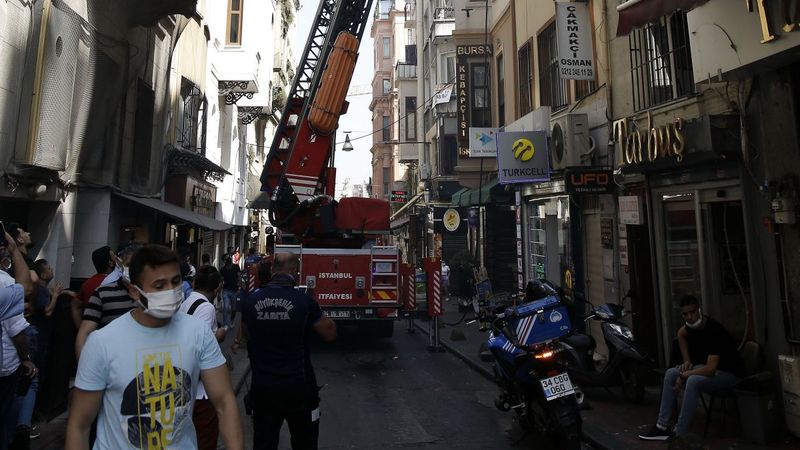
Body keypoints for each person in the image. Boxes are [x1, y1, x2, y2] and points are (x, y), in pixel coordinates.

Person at [65, 245, 243, 449]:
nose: (170, 291)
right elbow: (79, 425)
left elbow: (224, 402)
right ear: (134, 291)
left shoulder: (198, 332)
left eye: (175, 282)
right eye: (159, 286)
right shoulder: (101, 343)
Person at [242, 252, 336, 450]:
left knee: (264, 444)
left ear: (274, 269)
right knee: (305, 443)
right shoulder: (304, 301)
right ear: (294, 271)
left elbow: (245, 336)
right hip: (298, 388)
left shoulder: (251, 301)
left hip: (263, 388)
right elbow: (329, 333)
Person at [638, 295, 745, 440]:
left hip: (729, 374)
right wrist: (687, 361)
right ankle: (661, 426)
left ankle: (679, 433)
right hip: (707, 369)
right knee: (670, 373)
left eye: (693, 312)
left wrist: (684, 375)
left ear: (699, 310)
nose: (690, 317)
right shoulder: (689, 328)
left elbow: (710, 369)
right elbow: (680, 334)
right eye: (685, 314)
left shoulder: (714, 330)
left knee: (693, 380)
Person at [178, 265, 227, 450]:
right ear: (216, 289)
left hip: (188, 387)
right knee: (204, 439)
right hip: (202, 391)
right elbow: (200, 345)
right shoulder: (206, 308)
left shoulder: (186, 302)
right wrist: (219, 336)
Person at [219, 257, 240, 329]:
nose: (228, 267)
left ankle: (231, 320)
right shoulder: (222, 269)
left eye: (229, 266)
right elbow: (221, 281)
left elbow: (239, 277)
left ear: (231, 264)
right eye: (227, 266)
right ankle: (225, 324)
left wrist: (239, 287)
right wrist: (219, 293)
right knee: (226, 307)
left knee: (234, 309)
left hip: (234, 291)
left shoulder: (236, 267)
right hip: (226, 291)